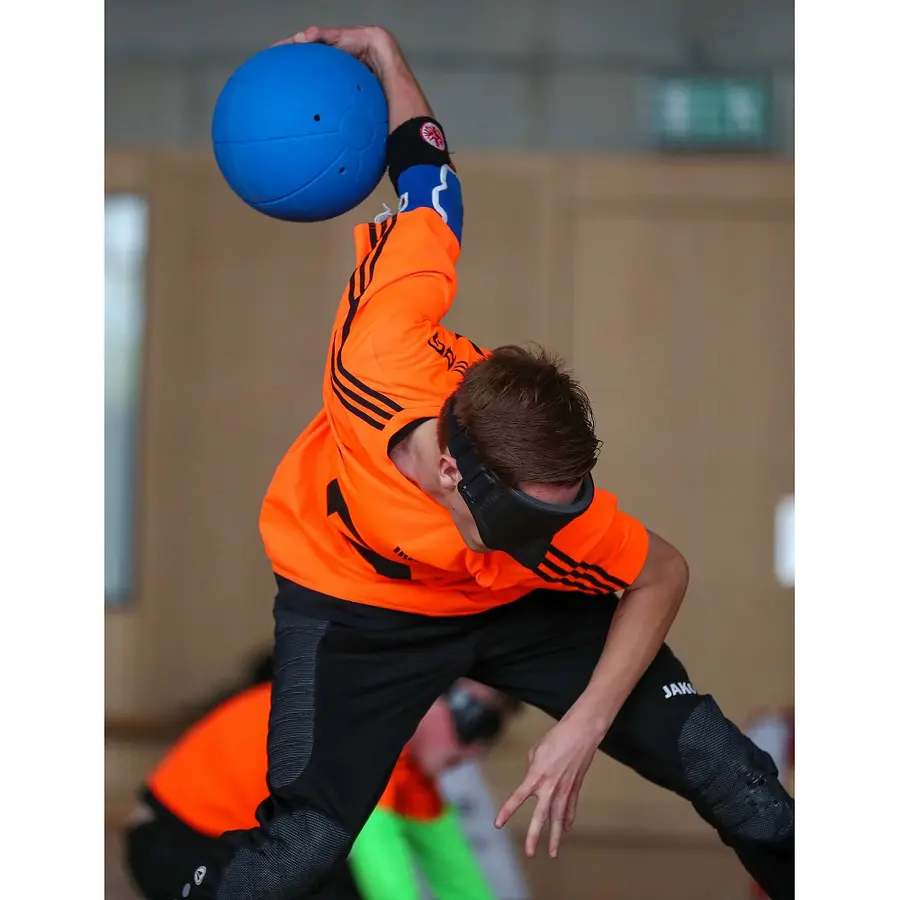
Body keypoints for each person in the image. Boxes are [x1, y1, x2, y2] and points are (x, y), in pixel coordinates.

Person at [176, 24, 795, 900]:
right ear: (455, 473)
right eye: (525, 521)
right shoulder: (376, 352)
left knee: (741, 784)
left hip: (512, 604)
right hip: (356, 601)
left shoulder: (549, 519)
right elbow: (420, 189)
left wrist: (583, 725)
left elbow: (429, 183)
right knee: (302, 848)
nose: (552, 526)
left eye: (562, 510)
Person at [123, 667, 518, 900]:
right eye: (476, 720)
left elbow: (454, 873)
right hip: (176, 841)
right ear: (426, 693)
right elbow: (384, 871)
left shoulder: (408, 771)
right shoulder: (359, 731)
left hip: (230, 848)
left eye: (494, 729)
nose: (479, 747)